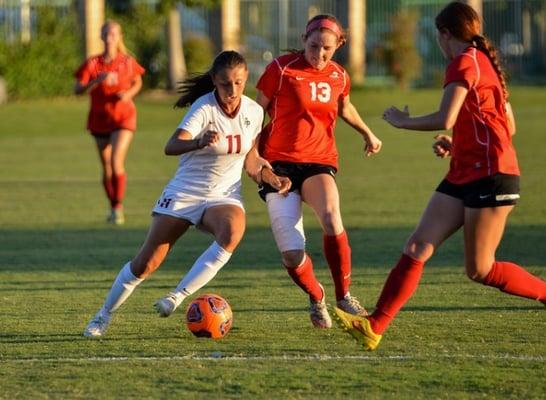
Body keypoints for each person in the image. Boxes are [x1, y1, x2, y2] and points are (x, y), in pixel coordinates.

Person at [334, 1, 546, 350]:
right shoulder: (485, 62)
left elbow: (448, 117)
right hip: (466, 171)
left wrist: (404, 122)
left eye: (438, 36)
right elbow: (507, 124)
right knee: (417, 245)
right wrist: (460, 144)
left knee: (480, 269)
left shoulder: (464, 61)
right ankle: (373, 327)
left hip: (491, 176)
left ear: (445, 34)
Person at [83, 50, 290, 337]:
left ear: (246, 80)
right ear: (214, 81)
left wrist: (272, 177)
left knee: (232, 232)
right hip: (185, 192)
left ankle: (177, 297)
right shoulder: (204, 109)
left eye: (239, 83)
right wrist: (198, 142)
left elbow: (251, 160)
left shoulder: (254, 113)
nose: (232, 90)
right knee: (145, 263)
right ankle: (102, 316)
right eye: (226, 84)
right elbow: (171, 146)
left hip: (223, 195)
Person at [250, 14, 382, 329]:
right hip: (278, 164)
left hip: (318, 160)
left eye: (326, 48)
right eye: (313, 46)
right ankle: (316, 295)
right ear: (303, 41)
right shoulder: (281, 69)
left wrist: (368, 133)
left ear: (337, 46)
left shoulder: (339, 75)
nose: (319, 54)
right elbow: (255, 114)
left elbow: (344, 106)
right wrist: (253, 156)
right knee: (293, 254)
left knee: (332, 217)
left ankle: (343, 294)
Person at [74, 21, 145, 225]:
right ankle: (114, 206)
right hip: (99, 118)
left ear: (119, 36)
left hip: (123, 117)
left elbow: (138, 81)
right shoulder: (93, 64)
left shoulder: (127, 62)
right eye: (106, 33)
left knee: (116, 162)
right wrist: (97, 81)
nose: (109, 37)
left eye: (113, 33)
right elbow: (77, 90)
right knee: (106, 166)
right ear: (101, 36)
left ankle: (118, 208)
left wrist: (128, 94)